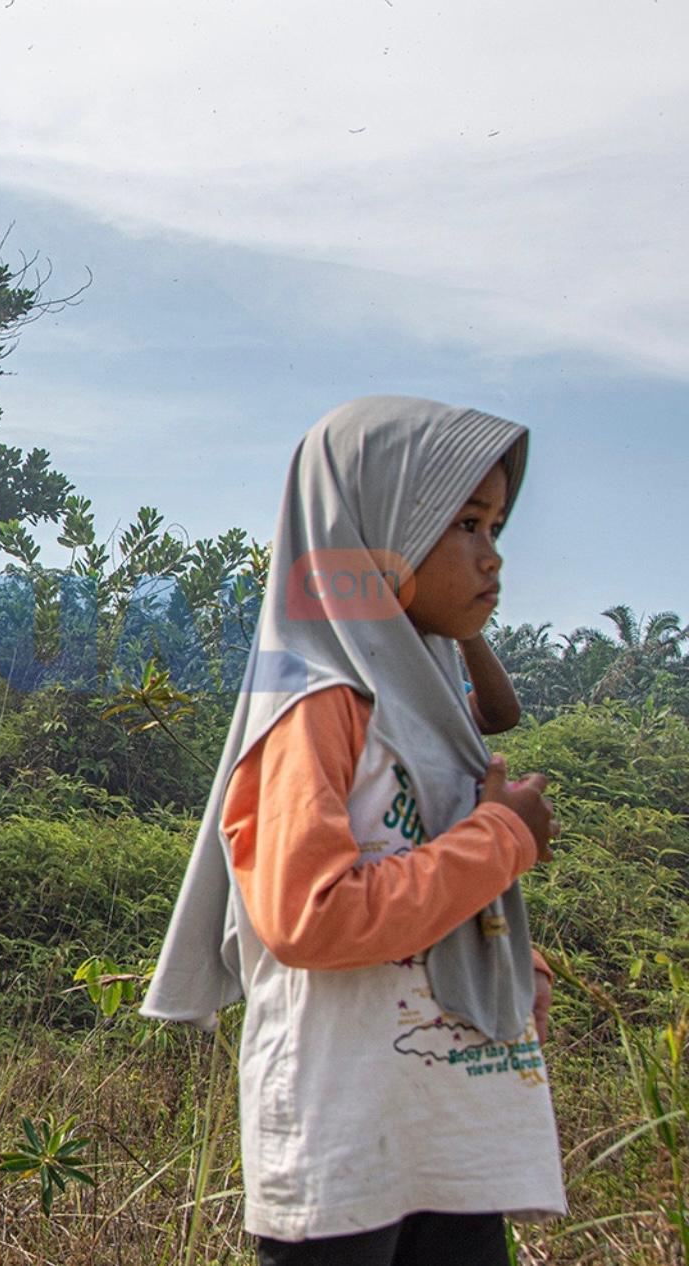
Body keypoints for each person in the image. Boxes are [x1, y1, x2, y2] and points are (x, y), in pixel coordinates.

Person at [142, 398, 564, 1264]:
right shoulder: (317, 707)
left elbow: (427, 852)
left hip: (446, 1129)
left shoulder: (423, 698)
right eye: (466, 525)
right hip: (345, 1151)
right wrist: (504, 842)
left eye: (497, 525)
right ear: (377, 532)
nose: (494, 555)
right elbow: (312, 919)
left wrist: (509, 953)